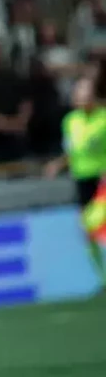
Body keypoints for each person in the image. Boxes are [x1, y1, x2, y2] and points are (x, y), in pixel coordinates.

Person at [45, 68, 106, 281]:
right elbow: (72, 150)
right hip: (82, 179)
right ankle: (101, 277)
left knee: (99, 224)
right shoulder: (70, 121)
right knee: (87, 229)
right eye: (79, 92)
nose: (82, 97)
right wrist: (58, 164)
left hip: (102, 179)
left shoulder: (103, 118)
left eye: (86, 92)